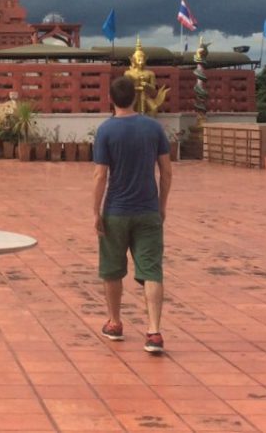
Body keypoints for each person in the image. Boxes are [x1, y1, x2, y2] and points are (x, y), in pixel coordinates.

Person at [92, 75, 172, 354]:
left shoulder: (105, 131)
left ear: (111, 99)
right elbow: (166, 171)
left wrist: (96, 211)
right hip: (148, 210)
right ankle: (153, 331)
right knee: (152, 270)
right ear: (135, 97)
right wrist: (161, 205)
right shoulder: (153, 128)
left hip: (115, 210)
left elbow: (100, 175)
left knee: (112, 270)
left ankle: (115, 323)